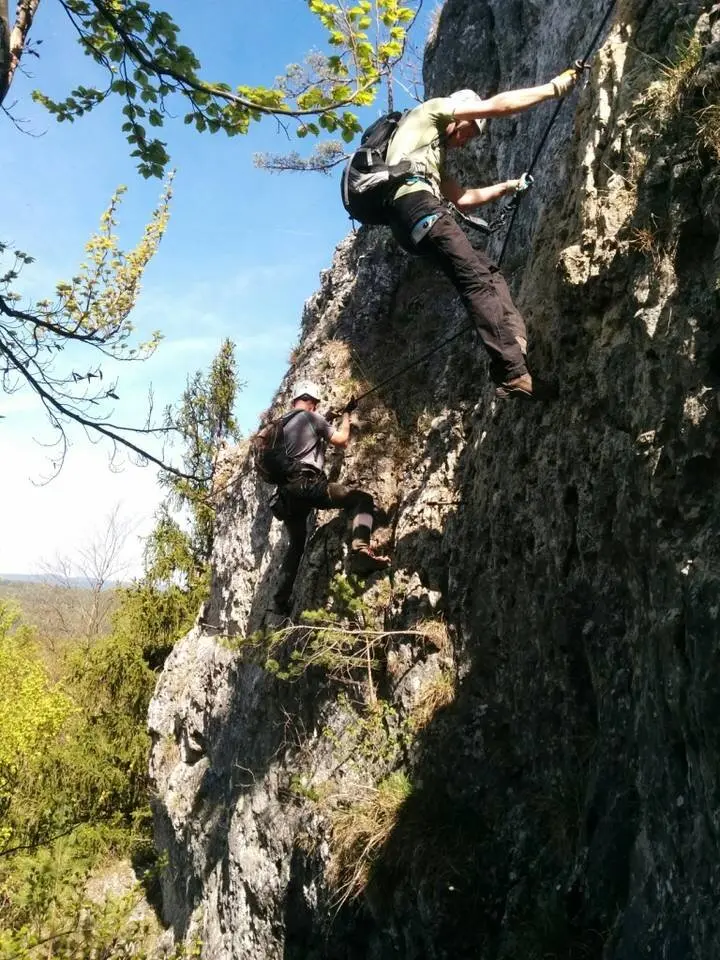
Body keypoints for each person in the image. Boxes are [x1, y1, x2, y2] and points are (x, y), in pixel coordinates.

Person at [384, 68, 580, 400]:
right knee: (475, 280)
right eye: (468, 131)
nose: (464, 141)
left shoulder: (427, 155)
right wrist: (553, 88)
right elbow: (499, 106)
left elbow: (463, 199)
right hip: (417, 206)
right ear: (457, 113)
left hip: (410, 220)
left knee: (489, 273)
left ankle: (514, 344)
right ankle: (513, 373)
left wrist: (508, 187)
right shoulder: (432, 109)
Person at [272, 380, 390, 614]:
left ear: (295, 400)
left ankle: (279, 601)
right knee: (361, 499)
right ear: (312, 403)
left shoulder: (279, 426)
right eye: (315, 404)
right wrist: (346, 415)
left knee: (296, 546)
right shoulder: (312, 418)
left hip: (285, 496)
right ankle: (360, 550)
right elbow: (342, 441)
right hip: (308, 486)